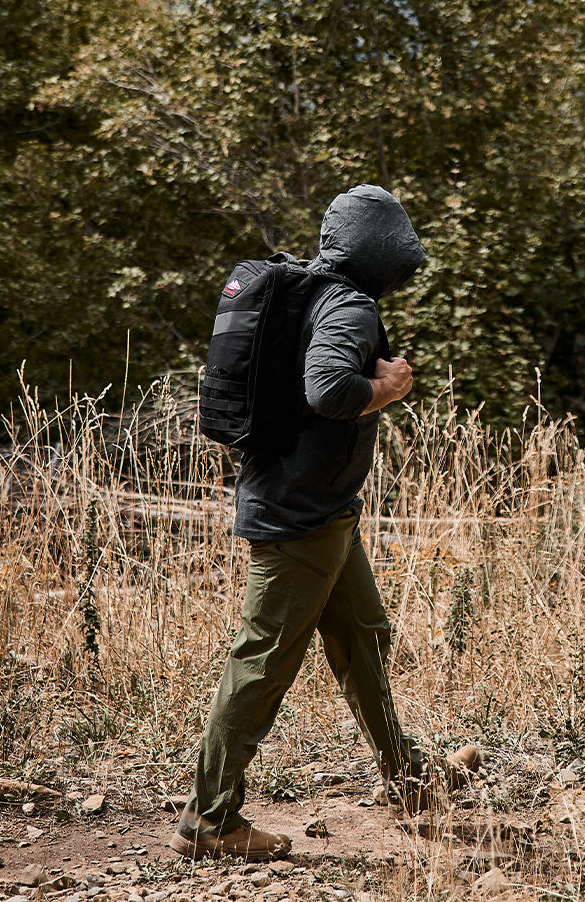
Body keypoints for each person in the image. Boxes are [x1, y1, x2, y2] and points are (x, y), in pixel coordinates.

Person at [172, 185, 478, 862]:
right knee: (262, 663)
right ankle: (209, 822)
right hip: (299, 516)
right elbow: (330, 390)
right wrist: (390, 388)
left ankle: (408, 780)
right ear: (383, 252)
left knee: (363, 635)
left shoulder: (311, 290)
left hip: (318, 507)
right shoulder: (348, 304)